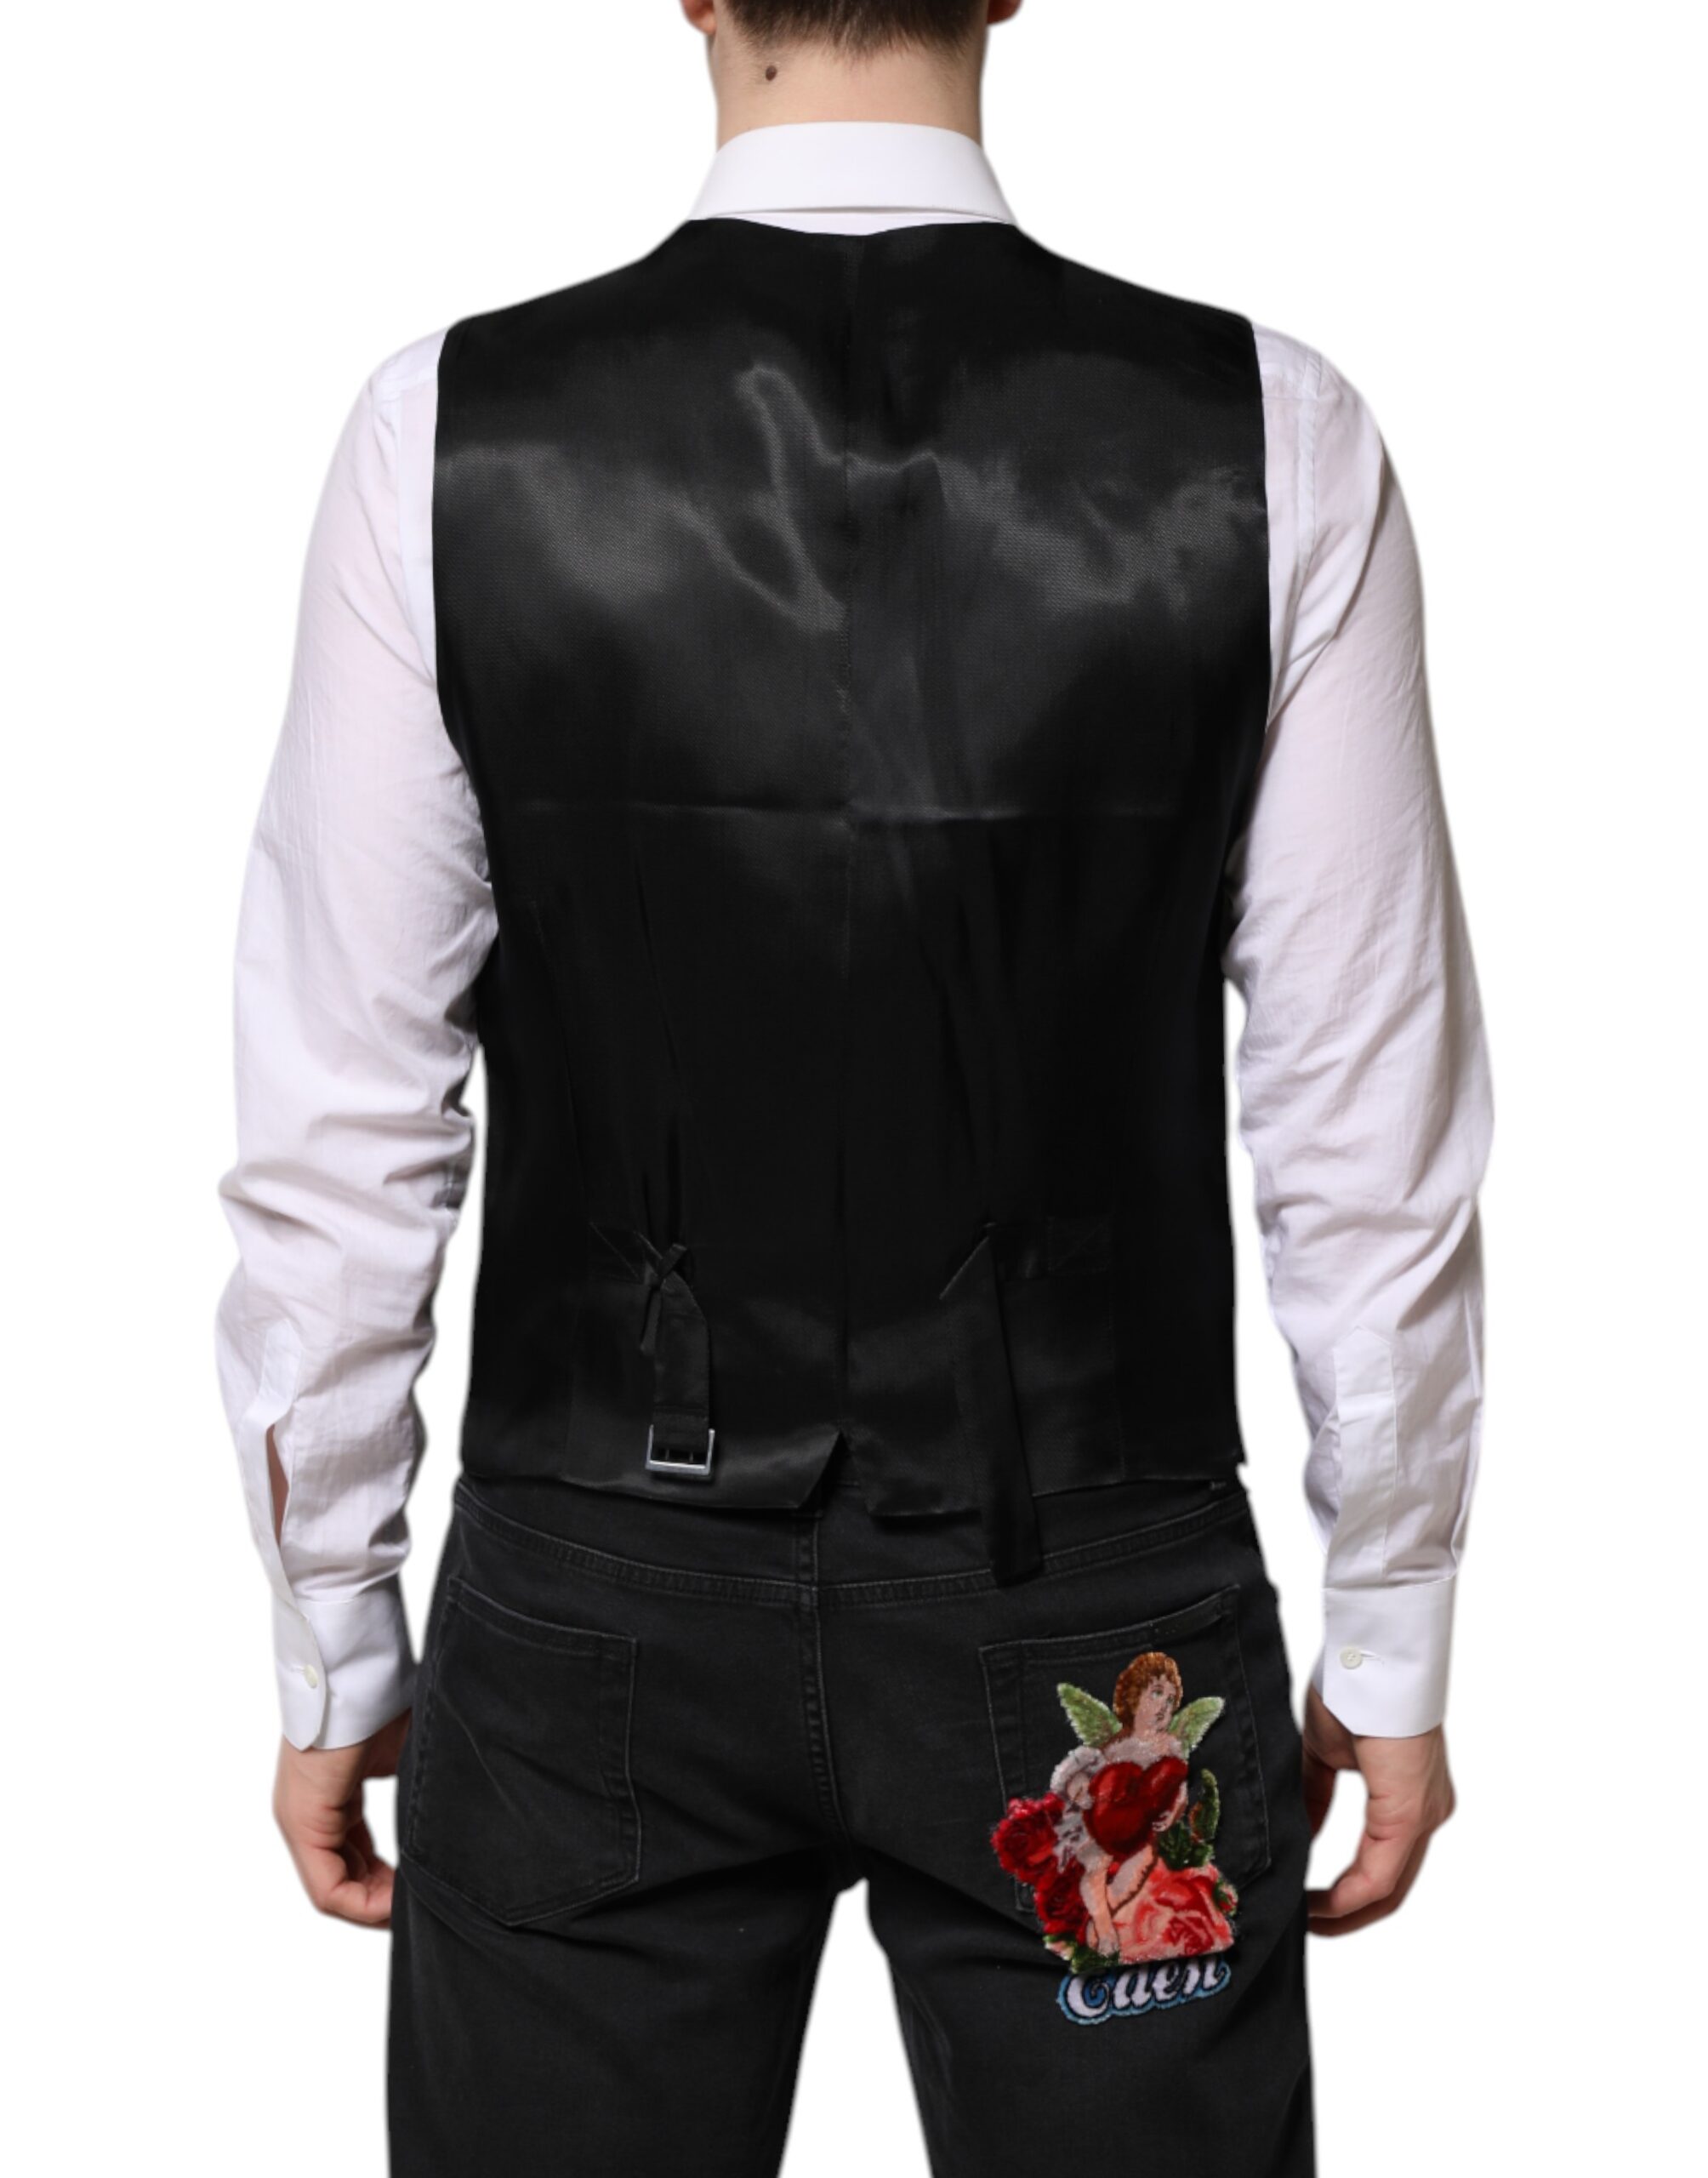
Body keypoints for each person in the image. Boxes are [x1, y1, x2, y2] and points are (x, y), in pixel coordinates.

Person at [214, 3, 1490, 2171]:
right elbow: (1362, 1115)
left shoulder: (445, 433)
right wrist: (1392, 1618)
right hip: (1099, 1625)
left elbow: (341, 1116)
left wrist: (332, 1627)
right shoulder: (1271, 434)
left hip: (595, 1605)